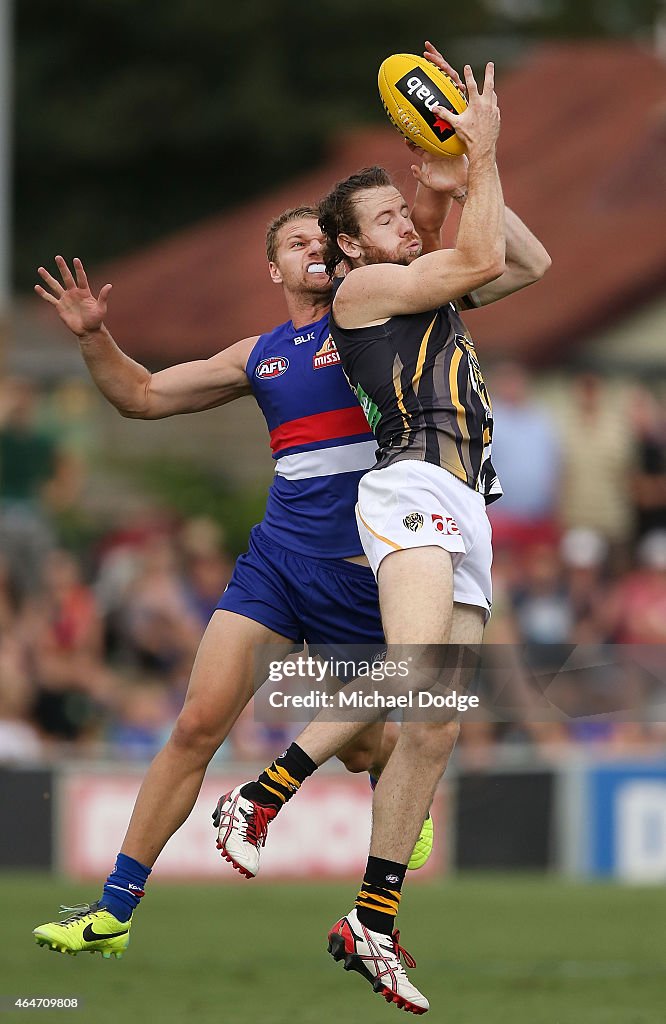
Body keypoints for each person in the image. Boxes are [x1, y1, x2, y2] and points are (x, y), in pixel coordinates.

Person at [30, 104, 462, 959]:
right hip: (277, 560)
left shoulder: (372, 311)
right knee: (197, 725)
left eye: (323, 239)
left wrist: (435, 184)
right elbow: (143, 396)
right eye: (297, 242)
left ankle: (398, 789)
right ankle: (113, 911)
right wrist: (94, 340)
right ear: (273, 269)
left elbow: (424, 236)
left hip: (364, 565)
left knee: (369, 743)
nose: (315, 249)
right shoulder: (257, 354)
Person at [216, 57, 550, 1014]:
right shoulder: (366, 297)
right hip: (408, 486)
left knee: (436, 723)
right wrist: (477, 155)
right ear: (350, 253)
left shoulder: (425, 288)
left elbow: (528, 265)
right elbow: (483, 259)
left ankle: (373, 916)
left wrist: (466, 175)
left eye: (407, 215)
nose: (407, 223)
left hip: (467, 507)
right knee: (410, 673)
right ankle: (263, 793)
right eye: (389, 220)